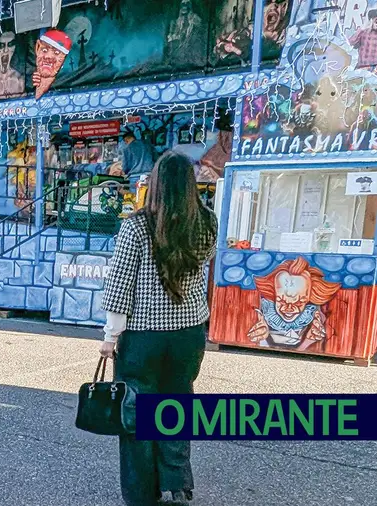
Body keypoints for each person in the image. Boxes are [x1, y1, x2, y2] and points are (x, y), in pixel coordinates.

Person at [98, 151, 218, 506]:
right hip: (189, 335)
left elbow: (120, 284)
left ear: (156, 184)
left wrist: (110, 337)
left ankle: (141, 493)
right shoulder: (208, 222)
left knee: (137, 414)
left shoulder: (136, 226)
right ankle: (178, 483)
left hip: (143, 338)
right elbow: (200, 267)